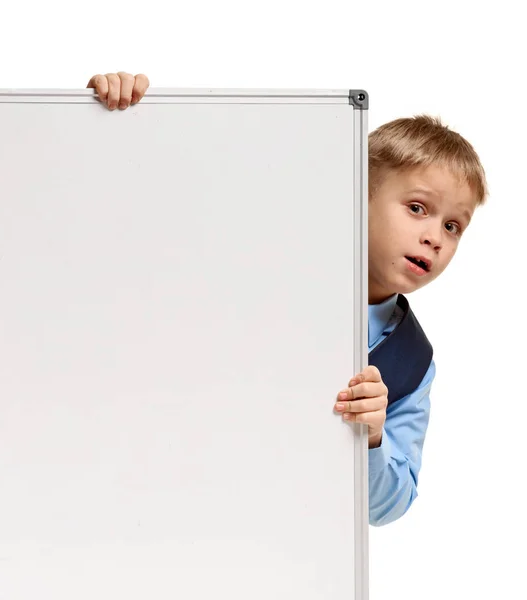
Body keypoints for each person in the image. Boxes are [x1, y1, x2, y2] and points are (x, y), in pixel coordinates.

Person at [86, 72, 488, 527]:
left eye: (454, 226)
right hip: (164, 495)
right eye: (417, 208)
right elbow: (160, 232)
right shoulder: (266, 265)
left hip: (284, 541)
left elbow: (387, 507)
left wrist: (373, 438)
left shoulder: (413, 362)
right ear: (358, 193)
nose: (435, 236)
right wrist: (115, 119)